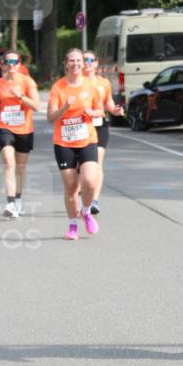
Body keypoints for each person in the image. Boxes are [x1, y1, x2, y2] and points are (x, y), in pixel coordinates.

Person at [47, 48, 103, 240]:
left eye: (79, 60)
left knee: (89, 181)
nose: (76, 64)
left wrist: (92, 112)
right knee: (71, 186)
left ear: (83, 63)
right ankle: (72, 226)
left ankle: (86, 211)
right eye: (72, 61)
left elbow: (100, 111)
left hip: (87, 139)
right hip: (64, 142)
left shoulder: (90, 85)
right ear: (66, 64)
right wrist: (65, 107)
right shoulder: (58, 88)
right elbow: (50, 117)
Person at [0, 49, 39, 218]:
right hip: (4, 126)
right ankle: (10, 203)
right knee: (8, 162)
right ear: (3, 64)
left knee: (20, 167)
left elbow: (36, 106)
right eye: (8, 62)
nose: (11, 65)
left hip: (24, 129)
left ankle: (18, 199)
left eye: (14, 62)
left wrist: (22, 97)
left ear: (19, 64)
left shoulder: (27, 82)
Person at [83, 51, 123, 215]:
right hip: (81, 127)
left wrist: (115, 110)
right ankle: (83, 194)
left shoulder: (103, 83)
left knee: (97, 162)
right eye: (85, 60)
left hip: (99, 125)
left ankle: (94, 200)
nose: (87, 63)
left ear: (96, 63)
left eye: (91, 60)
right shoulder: (78, 83)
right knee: (83, 166)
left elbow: (109, 103)